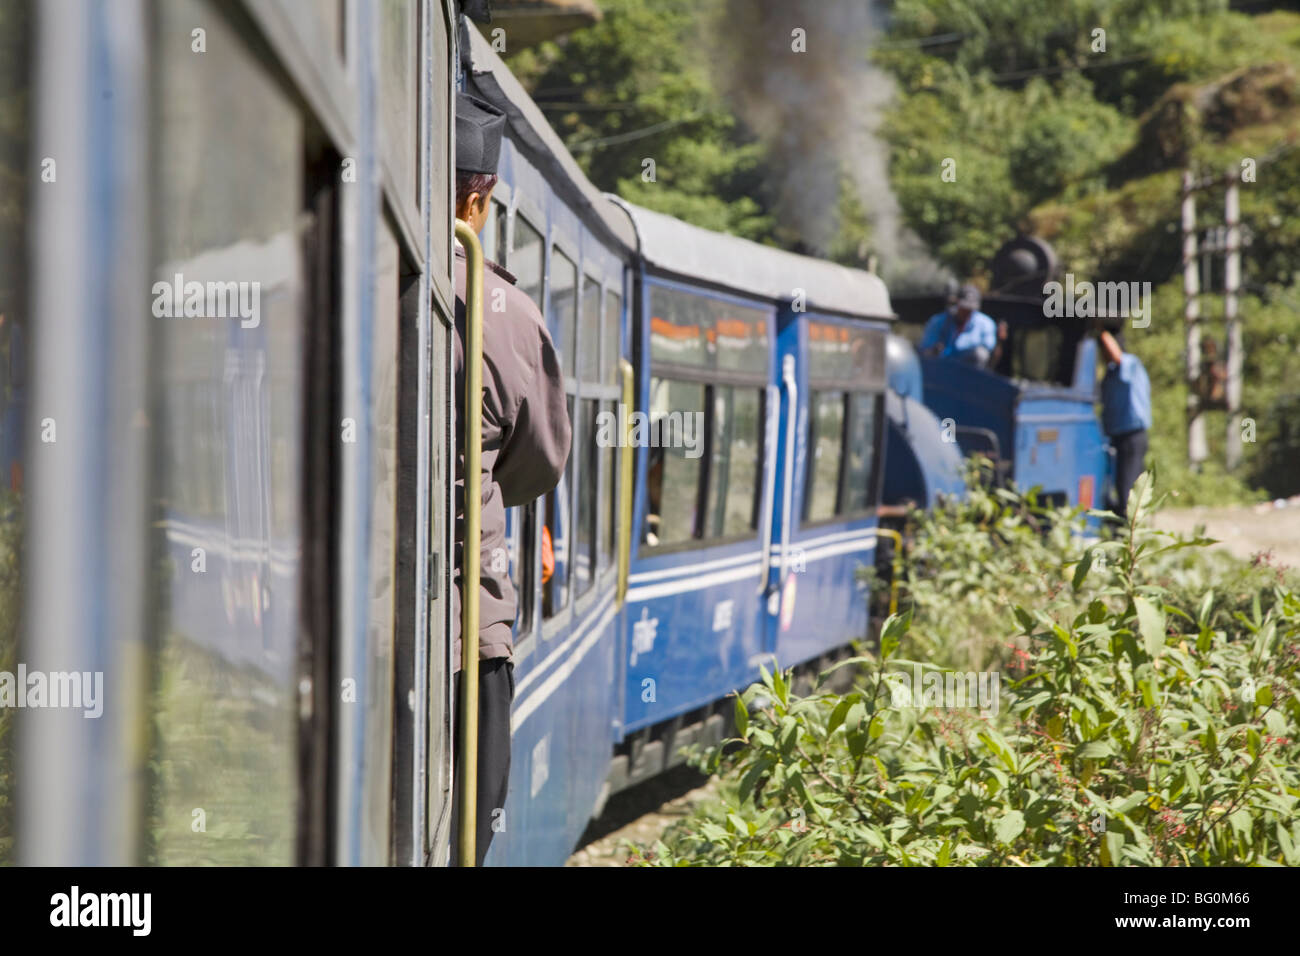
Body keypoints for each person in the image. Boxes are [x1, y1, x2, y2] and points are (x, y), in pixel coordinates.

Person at [450, 92, 571, 865]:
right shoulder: (506, 312)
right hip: (467, 630)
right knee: (468, 824)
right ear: (479, 197)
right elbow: (539, 462)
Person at [1098, 322, 1151, 521]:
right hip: (1118, 437)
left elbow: (1116, 355)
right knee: (1119, 486)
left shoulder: (1129, 363)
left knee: (1128, 491)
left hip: (1132, 436)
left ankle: (1130, 537)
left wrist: (1100, 330)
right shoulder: (1111, 373)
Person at [919, 283, 998, 367]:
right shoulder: (938, 321)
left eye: (970, 309)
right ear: (957, 303)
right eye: (963, 307)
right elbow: (924, 349)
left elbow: (989, 352)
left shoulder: (986, 324)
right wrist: (933, 351)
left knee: (981, 354)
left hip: (969, 374)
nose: (966, 312)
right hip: (940, 371)